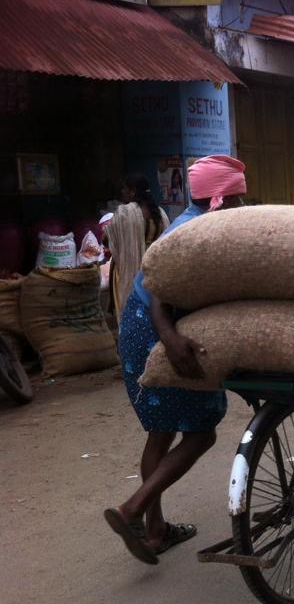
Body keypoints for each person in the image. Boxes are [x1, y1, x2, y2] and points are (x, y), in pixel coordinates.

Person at [104, 155, 247, 565]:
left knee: (161, 431)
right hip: (152, 331)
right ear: (224, 199)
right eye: (239, 197)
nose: (243, 206)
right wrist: (170, 339)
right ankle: (132, 509)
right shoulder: (191, 234)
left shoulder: (193, 222)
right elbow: (159, 297)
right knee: (202, 433)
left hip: (135, 329)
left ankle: (155, 532)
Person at [103, 174, 169, 317]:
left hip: (132, 270)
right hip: (154, 269)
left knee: (130, 307)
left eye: (125, 189)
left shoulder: (125, 212)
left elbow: (107, 239)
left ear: (132, 191)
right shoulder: (160, 212)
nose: (122, 192)